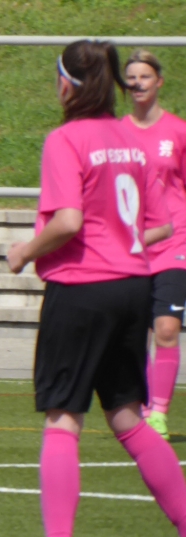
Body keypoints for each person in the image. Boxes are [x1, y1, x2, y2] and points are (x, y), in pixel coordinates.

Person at [6, 40, 186, 537]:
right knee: (129, 417)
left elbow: (68, 220)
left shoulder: (65, 139)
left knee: (63, 417)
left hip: (81, 290)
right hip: (133, 286)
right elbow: (159, 224)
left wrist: (24, 252)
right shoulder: (131, 140)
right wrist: (120, 244)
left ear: (68, 83)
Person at [122, 50, 186, 441]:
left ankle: (159, 414)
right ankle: (143, 409)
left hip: (175, 242)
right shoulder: (115, 135)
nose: (138, 83)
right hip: (131, 247)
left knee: (166, 328)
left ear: (158, 81)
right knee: (134, 333)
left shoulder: (178, 131)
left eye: (145, 76)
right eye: (131, 77)